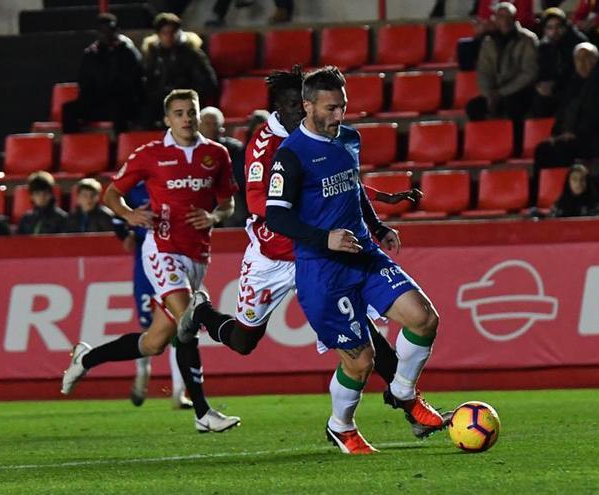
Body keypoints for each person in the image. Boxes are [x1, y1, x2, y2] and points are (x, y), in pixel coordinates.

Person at [180, 66, 436, 441]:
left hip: (328, 253)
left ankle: (409, 405)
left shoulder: (333, 136)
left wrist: (376, 214)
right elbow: (266, 208)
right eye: (290, 107)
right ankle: (201, 312)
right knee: (244, 341)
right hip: (276, 257)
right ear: (281, 108)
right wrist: (319, 233)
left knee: (367, 340)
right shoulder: (268, 149)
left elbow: (341, 181)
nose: (298, 114)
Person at [261, 66, 446, 454]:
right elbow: (276, 215)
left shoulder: (349, 138)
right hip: (323, 271)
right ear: (308, 106)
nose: (339, 116)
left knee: (425, 318)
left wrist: (377, 228)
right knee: (360, 362)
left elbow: (352, 186)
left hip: (364, 254)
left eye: (342, 106)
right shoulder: (290, 155)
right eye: (330, 108)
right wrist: (324, 238)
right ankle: (341, 426)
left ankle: (403, 390)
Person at [61, 89, 240, 433]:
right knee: (189, 319)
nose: (187, 118)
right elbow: (111, 194)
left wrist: (215, 217)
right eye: (179, 113)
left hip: (198, 254)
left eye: (191, 111)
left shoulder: (215, 154)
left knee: (155, 342)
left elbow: (227, 203)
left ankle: (85, 359)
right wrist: (129, 215)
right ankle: (203, 412)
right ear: (167, 119)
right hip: (162, 248)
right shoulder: (151, 155)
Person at [121, 181, 193, 410]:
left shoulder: (182, 181)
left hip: (176, 257)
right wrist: (125, 228)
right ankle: (143, 373)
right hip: (147, 263)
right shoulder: (135, 188)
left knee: (181, 328)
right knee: (147, 326)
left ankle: (178, 392)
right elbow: (115, 207)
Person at [533, 42, 599, 171]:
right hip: (572, 137)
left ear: (596, 60)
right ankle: (542, 189)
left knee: (561, 149)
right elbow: (562, 112)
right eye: (578, 59)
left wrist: (576, 134)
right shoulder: (573, 83)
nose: (582, 62)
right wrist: (557, 134)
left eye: (587, 58)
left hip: (597, 137)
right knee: (543, 149)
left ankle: (572, 186)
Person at [62, 14, 145, 134]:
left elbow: (135, 80)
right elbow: (84, 81)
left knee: (117, 108)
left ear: (116, 30)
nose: (105, 34)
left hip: (122, 102)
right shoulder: (91, 53)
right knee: (69, 110)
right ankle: (73, 148)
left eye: (109, 30)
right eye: (102, 30)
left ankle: (120, 148)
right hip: (97, 101)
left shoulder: (127, 52)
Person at [141, 13, 218, 128]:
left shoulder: (192, 54)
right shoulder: (153, 55)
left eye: (172, 32)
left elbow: (208, 83)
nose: (169, 37)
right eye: (165, 33)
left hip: (187, 100)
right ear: (158, 35)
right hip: (160, 101)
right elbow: (147, 82)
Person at [467, 2, 539, 123]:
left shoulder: (527, 39)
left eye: (508, 17)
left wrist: (501, 93)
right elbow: (484, 71)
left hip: (520, 91)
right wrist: (488, 94)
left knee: (514, 106)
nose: (505, 21)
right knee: (474, 107)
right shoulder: (488, 42)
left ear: (514, 18)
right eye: (501, 16)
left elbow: (529, 73)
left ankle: (516, 140)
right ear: (495, 19)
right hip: (495, 92)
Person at [532, 8, 589, 117]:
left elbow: (579, 75)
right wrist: (541, 85)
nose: (554, 31)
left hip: (573, 89)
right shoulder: (544, 46)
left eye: (559, 26)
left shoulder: (578, 43)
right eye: (550, 27)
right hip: (552, 89)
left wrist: (554, 87)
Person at [199, 106, 247, 227]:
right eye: (207, 123)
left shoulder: (233, 149)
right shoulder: (188, 149)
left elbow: (239, 177)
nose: (210, 127)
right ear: (198, 126)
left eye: (214, 124)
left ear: (221, 128)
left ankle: (234, 238)